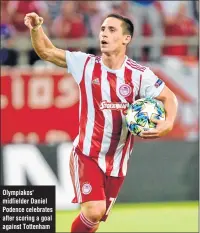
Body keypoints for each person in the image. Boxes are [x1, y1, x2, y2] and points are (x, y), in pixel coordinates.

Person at [24, 12, 178, 232]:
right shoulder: (85, 64)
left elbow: (169, 97)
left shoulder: (139, 75)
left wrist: (169, 122)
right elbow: (47, 52)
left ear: (126, 39)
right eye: (103, 29)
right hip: (87, 153)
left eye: (112, 30)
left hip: (117, 161)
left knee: (94, 220)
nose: (104, 34)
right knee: (94, 210)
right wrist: (37, 27)